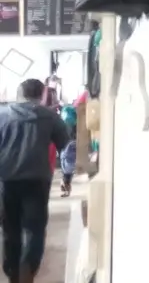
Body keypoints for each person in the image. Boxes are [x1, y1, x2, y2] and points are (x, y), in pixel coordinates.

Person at [0, 79, 71, 283]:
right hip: (37, 182)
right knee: (34, 229)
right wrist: (66, 178)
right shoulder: (50, 117)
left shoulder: (2, 115)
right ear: (42, 95)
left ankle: (13, 273)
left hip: (6, 181)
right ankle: (27, 271)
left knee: (10, 228)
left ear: (18, 94)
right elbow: (66, 150)